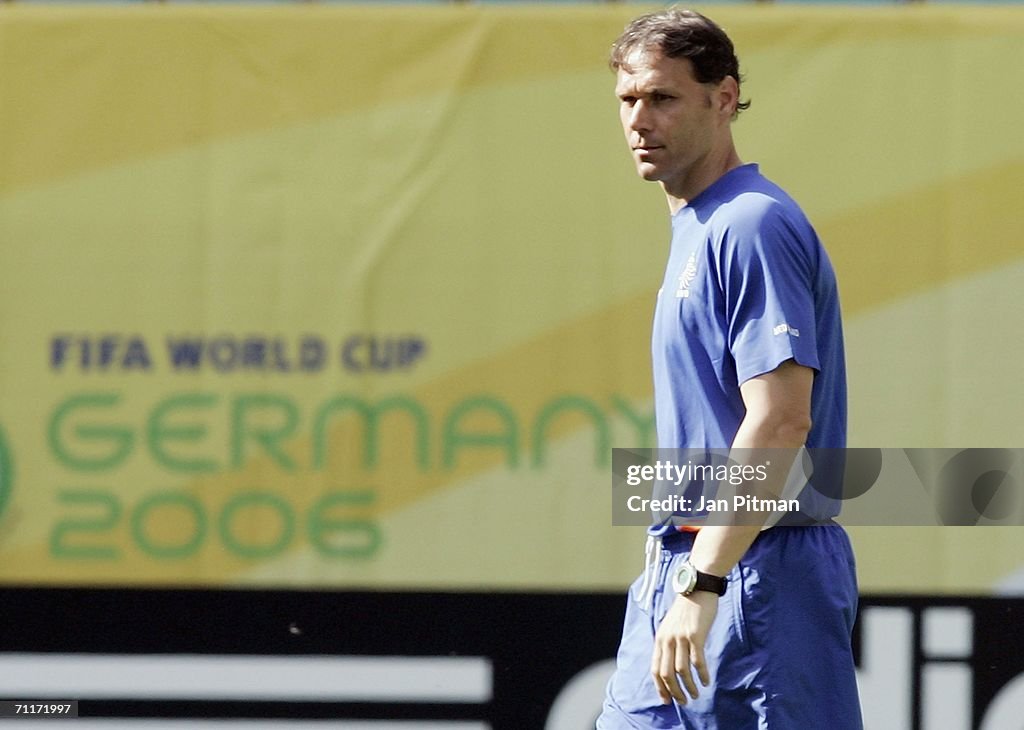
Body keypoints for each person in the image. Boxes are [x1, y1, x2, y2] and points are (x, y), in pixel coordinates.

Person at [597, 8, 863, 729]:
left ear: (723, 98)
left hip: (756, 575)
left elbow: (780, 419)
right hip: (687, 566)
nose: (640, 121)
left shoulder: (751, 223)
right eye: (629, 100)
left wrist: (705, 580)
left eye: (663, 98)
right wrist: (686, 577)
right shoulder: (700, 225)